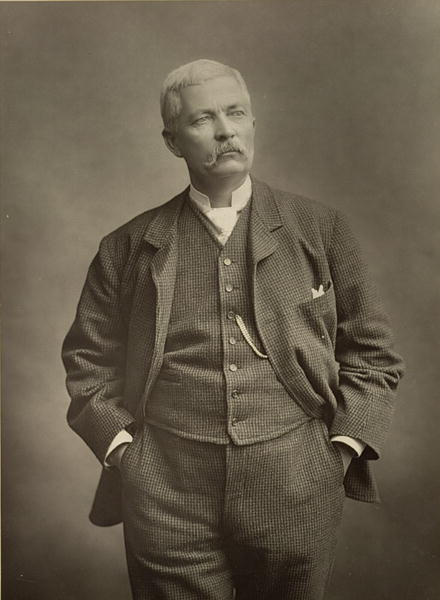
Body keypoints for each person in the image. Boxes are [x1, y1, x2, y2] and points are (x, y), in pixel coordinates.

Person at [62, 59, 404, 600]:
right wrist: (129, 458)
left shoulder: (321, 230)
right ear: (173, 141)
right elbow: (88, 365)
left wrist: (334, 455)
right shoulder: (128, 246)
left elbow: (374, 356)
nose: (225, 131)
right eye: (203, 120)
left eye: (235, 113)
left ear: (252, 124)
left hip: (296, 488)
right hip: (167, 493)